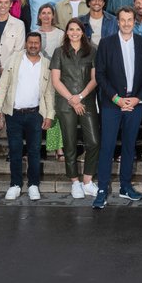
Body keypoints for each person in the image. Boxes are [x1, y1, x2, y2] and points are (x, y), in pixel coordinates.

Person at [93, 5, 142, 209]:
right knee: (107, 147)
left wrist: (138, 99)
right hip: (113, 104)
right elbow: (100, 74)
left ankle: (126, 186)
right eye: (123, 20)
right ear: (117, 22)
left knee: (129, 146)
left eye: (130, 20)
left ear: (134, 22)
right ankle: (102, 189)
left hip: (135, 104)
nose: (126, 23)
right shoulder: (106, 43)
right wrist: (116, 98)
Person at [0, 31, 54, 201]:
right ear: (26, 43)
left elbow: (49, 93)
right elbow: (2, 85)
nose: (33, 45)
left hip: (35, 114)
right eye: (30, 42)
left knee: (35, 151)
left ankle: (34, 185)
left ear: (40, 45)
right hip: (14, 114)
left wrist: (50, 115)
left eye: (36, 43)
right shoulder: (14, 59)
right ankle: (15, 185)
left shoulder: (46, 64)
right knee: (15, 150)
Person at [50, 17, 100, 199]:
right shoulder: (59, 52)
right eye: (71, 29)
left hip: (86, 101)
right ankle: (75, 182)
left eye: (77, 29)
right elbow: (55, 80)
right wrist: (72, 99)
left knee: (94, 142)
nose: (74, 33)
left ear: (82, 32)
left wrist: (80, 97)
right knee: (70, 144)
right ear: (67, 32)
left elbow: (95, 79)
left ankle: (87, 181)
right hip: (65, 103)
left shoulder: (92, 51)